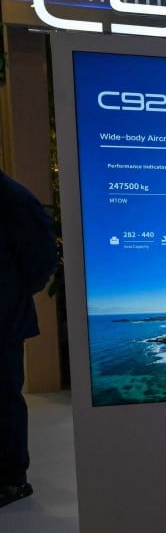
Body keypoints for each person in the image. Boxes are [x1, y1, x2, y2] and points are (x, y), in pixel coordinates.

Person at [1, 168, 58, 508]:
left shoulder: (12, 198)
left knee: (3, 396)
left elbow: (41, 261)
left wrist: (10, 295)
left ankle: (12, 480)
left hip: (2, 320)